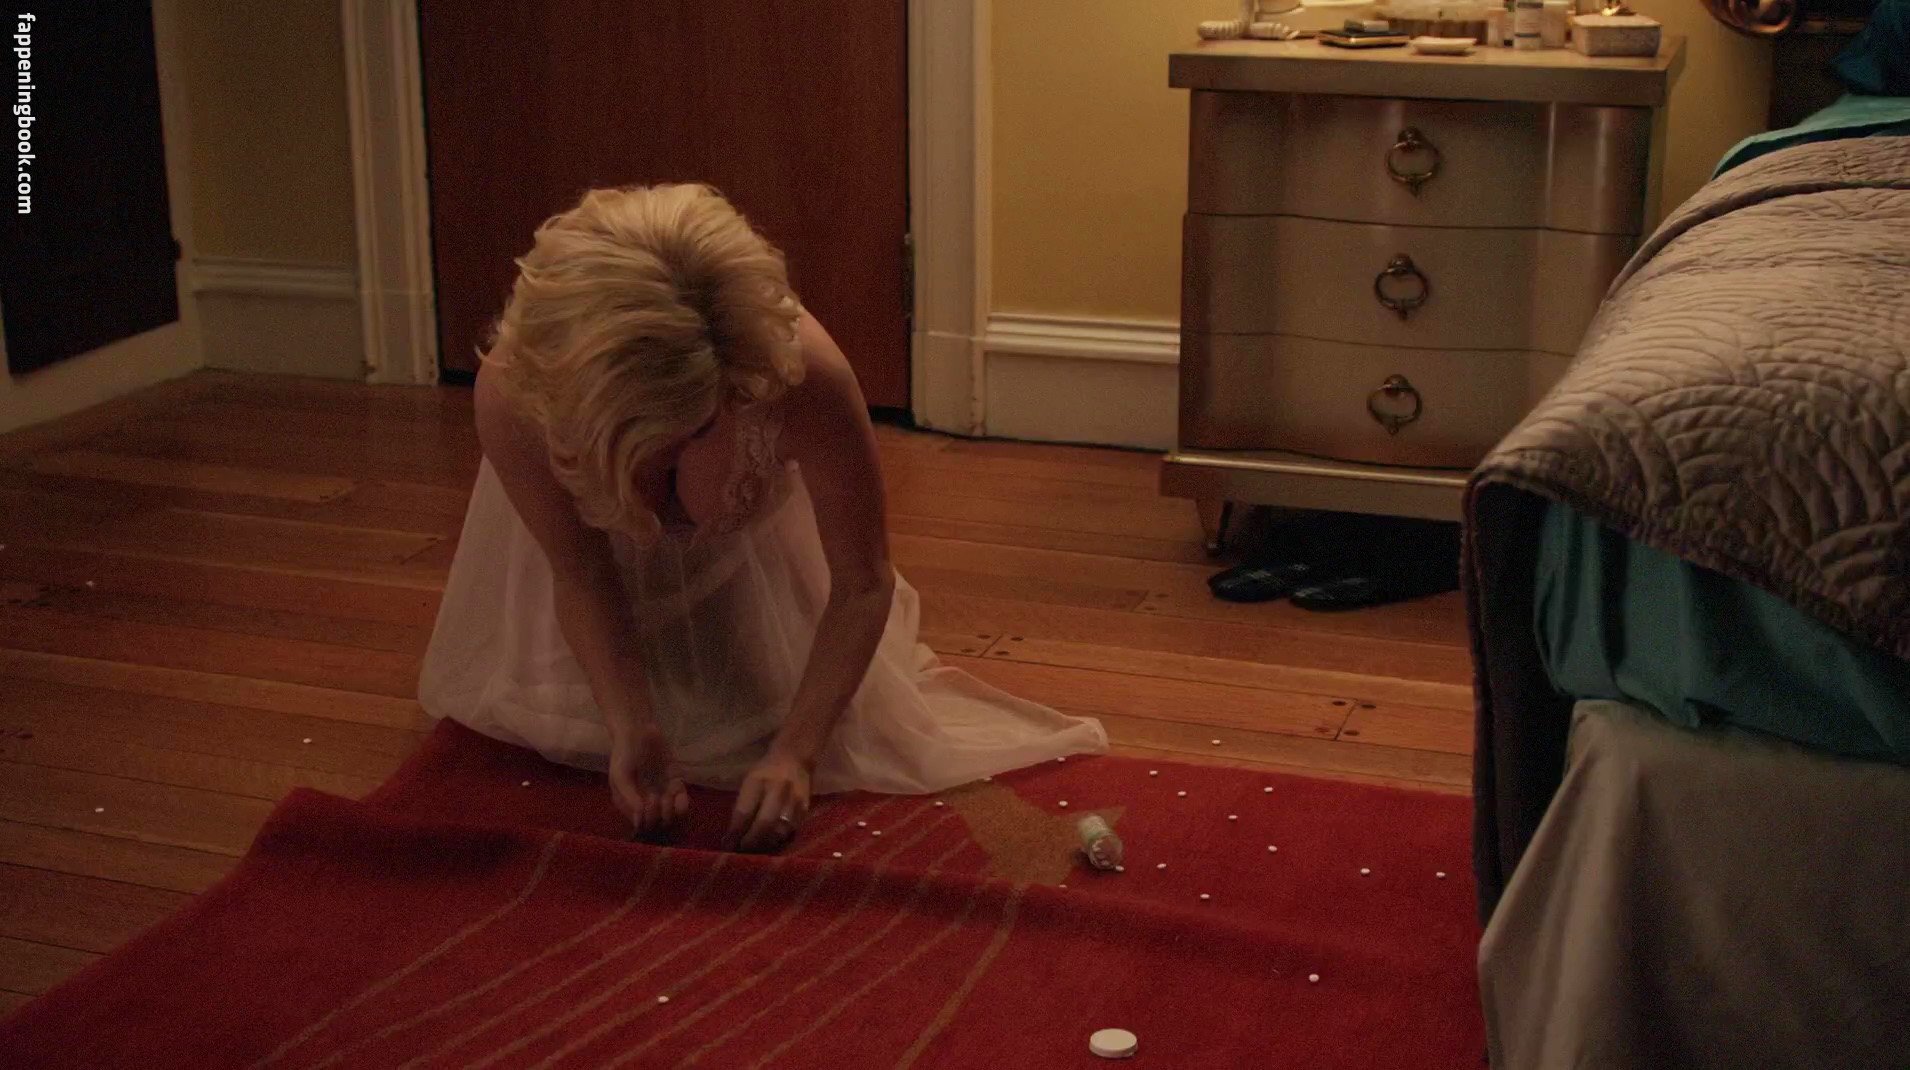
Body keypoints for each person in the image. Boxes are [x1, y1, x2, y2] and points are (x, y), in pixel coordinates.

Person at [418, 184, 1107, 853]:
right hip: (585, 610)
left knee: (759, 714)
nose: (661, 466)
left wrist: (795, 755)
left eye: (697, 430)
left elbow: (863, 581)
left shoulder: (799, 372)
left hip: (758, 596)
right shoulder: (514, 391)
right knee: (566, 728)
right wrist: (631, 727)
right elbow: (580, 573)